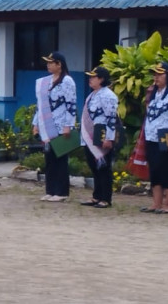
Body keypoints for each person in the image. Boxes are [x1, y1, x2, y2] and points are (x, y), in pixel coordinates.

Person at [141, 62, 168, 214]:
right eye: (155, 74)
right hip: (152, 137)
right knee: (155, 170)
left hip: (167, 136)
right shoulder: (154, 94)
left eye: (160, 74)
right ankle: (156, 203)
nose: (156, 77)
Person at [32, 52, 76, 202]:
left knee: (60, 159)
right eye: (48, 63)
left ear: (59, 65)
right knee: (49, 159)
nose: (48, 65)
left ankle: (61, 192)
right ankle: (50, 190)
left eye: (52, 63)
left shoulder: (67, 81)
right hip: (46, 124)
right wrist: (35, 123)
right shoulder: (46, 82)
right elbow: (40, 105)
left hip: (60, 125)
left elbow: (71, 105)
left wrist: (68, 125)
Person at [79, 66, 119, 208]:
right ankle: (96, 196)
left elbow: (111, 118)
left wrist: (109, 138)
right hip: (91, 135)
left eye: (93, 77)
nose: (90, 79)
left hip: (103, 134)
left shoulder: (108, 95)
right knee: (94, 166)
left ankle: (105, 198)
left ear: (101, 79)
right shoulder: (92, 95)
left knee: (103, 167)